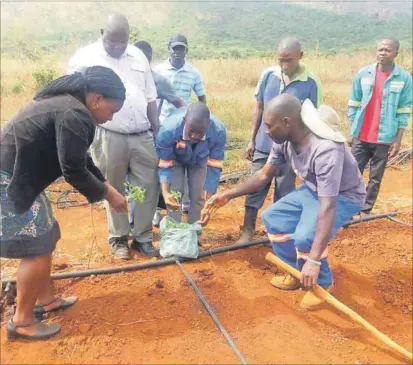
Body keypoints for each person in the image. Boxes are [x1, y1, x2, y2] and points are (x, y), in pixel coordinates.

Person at [200, 94, 366, 310]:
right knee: (273, 218)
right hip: (314, 190)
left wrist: (314, 261)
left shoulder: (325, 150)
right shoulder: (283, 140)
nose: (266, 132)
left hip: (343, 196)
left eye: (269, 126)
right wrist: (228, 194)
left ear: (287, 122)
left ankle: (323, 284)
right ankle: (296, 272)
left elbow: (328, 206)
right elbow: (262, 176)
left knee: (306, 236)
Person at [1, 66, 127, 340]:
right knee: (34, 248)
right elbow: (73, 169)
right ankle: (21, 322)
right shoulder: (74, 113)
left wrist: (106, 185)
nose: (110, 118)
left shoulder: (70, 107)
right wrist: (109, 194)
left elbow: (81, 161)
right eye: (111, 110)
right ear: (96, 99)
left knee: (47, 235)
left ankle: (46, 299)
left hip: (23, 177)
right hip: (8, 180)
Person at [68, 13, 160, 259]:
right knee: (113, 186)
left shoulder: (138, 55)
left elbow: (151, 97)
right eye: (113, 41)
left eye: (123, 41)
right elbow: (73, 98)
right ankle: (119, 239)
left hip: (142, 134)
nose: (118, 46)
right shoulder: (85, 58)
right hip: (109, 134)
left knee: (148, 187)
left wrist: (156, 129)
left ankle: (143, 238)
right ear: (102, 33)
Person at [239, 37, 323, 243]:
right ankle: (247, 231)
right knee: (255, 185)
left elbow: (313, 118)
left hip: (290, 149)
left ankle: (277, 234)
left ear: (300, 57)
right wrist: (252, 139)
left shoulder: (311, 82)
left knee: (285, 191)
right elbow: (258, 106)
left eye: (289, 60)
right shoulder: (268, 75)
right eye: (281, 60)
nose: (284, 65)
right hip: (264, 143)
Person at [348, 37, 412, 215]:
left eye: (387, 50)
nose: (383, 53)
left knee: (375, 178)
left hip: (384, 137)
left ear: (396, 54)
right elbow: (353, 103)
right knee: (353, 174)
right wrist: (352, 130)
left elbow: (404, 111)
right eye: (380, 49)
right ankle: (350, 208)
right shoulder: (363, 74)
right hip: (361, 135)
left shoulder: (403, 79)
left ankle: (365, 210)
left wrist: (398, 140)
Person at [131, 40, 186, 227]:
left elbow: (178, 102)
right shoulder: (122, 77)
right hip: (123, 136)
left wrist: (187, 122)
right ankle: (130, 222)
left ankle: (150, 216)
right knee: (126, 182)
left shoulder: (158, 80)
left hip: (149, 136)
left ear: (149, 58)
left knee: (149, 178)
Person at [156, 103, 226, 232]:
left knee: (200, 197)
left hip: (200, 160)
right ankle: (174, 235)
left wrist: (209, 203)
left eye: (200, 132)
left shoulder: (218, 131)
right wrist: (165, 193)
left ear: (209, 124)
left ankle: (194, 235)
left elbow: (214, 168)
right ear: (184, 122)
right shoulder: (168, 130)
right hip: (175, 159)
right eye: (191, 131)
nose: (194, 136)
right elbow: (165, 164)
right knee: (174, 194)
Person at [154, 34, 206, 123]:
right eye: (174, 48)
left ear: (186, 51)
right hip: (162, 121)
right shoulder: (158, 71)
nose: (177, 52)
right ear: (169, 49)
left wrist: (198, 118)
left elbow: (202, 99)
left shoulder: (194, 73)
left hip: (183, 121)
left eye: (181, 49)